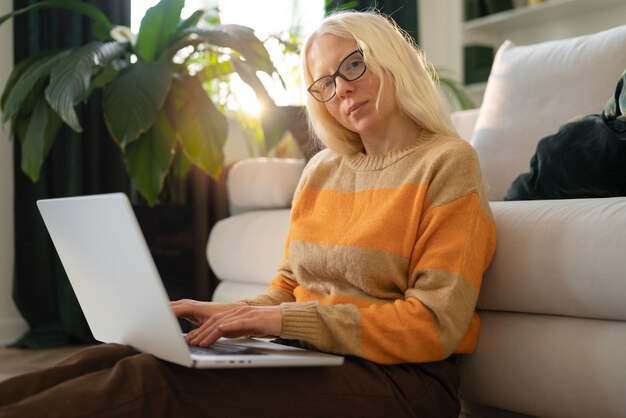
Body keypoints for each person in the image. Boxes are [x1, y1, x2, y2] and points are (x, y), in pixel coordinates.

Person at [0, 10, 495, 418]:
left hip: (400, 383)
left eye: (352, 65)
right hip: (312, 357)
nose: (341, 88)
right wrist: (226, 315)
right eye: (324, 81)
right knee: (121, 358)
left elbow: (433, 325)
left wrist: (281, 322)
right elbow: (288, 285)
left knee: (154, 384)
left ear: (392, 60)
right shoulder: (323, 169)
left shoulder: (447, 164)